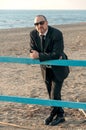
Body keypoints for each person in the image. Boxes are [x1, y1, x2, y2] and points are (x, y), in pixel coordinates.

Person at [29, 15, 70, 126]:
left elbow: (57, 53)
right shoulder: (33, 34)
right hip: (45, 69)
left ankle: (55, 114)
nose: (39, 26)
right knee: (51, 93)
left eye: (41, 23)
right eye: (36, 24)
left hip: (59, 69)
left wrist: (40, 55)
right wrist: (41, 55)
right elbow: (32, 50)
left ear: (46, 22)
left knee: (54, 93)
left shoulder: (57, 34)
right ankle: (59, 114)